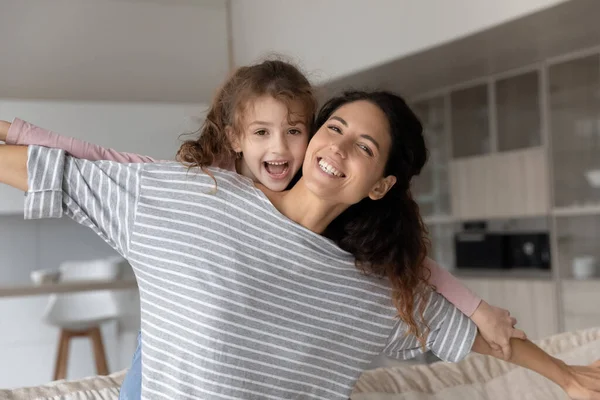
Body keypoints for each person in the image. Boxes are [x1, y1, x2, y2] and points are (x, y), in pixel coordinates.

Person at [0, 90, 599, 400]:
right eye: (334, 127)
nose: (338, 147)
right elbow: (63, 171)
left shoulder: (376, 288)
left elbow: (488, 340)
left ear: (381, 185)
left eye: (365, 147)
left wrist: (569, 378)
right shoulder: (193, 198)